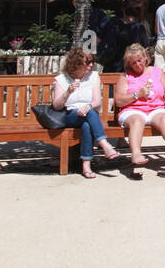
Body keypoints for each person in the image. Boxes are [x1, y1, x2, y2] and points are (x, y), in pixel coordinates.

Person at [115, 43, 165, 167]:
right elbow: (119, 101)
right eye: (133, 63)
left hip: (155, 108)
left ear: (145, 58)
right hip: (132, 110)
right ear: (129, 64)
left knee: (163, 118)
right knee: (138, 120)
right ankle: (136, 153)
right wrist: (138, 94)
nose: (138, 65)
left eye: (139, 60)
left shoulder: (157, 72)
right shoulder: (125, 76)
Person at [51, 49, 119, 179]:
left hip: (88, 113)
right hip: (69, 115)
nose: (91, 65)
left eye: (92, 61)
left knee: (87, 124)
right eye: (87, 62)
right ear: (76, 64)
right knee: (90, 114)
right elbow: (57, 106)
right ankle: (105, 145)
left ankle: (86, 165)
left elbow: (97, 101)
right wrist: (67, 93)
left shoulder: (93, 76)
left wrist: (87, 107)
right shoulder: (61, 79)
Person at [97, 0, 151, 73]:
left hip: (111, 66)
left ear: (123, 9)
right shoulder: (139, 28)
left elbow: (100, 39)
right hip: (131, 67)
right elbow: (146, 47)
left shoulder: (112, 23)